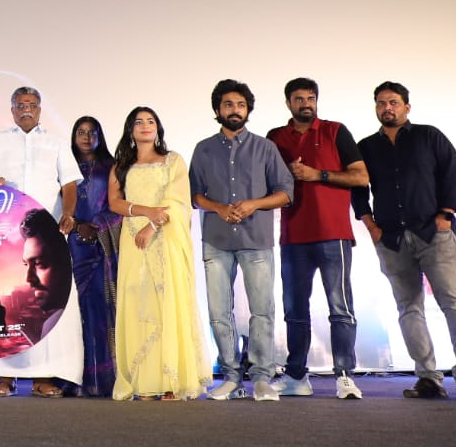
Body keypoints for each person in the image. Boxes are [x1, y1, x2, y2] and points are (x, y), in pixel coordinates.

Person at [354, 81, 456, 401]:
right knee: (408, 307)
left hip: (433, 233)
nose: (387, 108)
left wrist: (446, 215)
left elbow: (455, 175)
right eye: (381, 103)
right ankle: (427, 378)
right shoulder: (367, 146)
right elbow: (357, 188)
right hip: (391, 238)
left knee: (453, 302)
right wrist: (371, 226)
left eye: (393, 102)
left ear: (406, 107)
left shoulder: (428, 136)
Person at [189, 79, 293, 402]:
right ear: (217, 109)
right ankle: (231, 377)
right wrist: (218, 207)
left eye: (241, 105)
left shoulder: (265, 148)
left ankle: (262, 377)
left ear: (248, 110)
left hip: (256, 239)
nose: (235, 110)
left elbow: (286, 192)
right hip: (216, 239)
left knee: (262, 311)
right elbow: (194, 195)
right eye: (228, 105)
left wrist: (253, 204)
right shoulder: (203, 149)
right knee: (219, 312)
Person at [266, 78, 369, 400]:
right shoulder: (275, 137)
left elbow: (361, 176)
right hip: (293, 235)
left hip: (333, 234)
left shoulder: (335, 131)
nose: (306, 104)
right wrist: (284, 174)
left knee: (340, 308)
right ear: (288, 103)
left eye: (310, 98)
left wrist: (317, 174)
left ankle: (345, 376)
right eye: (299, 99)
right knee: (294, 310)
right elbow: (266, 180)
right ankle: (296, 376)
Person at [0, 86, 83, 398]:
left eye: (32, 105)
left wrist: (69, 213)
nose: (27, 109)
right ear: (12, 109)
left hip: (47, 236)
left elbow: (69, 184)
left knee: (46, 303)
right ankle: (6, 377)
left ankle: (43, 377)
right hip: (6, 236)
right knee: (6, 303)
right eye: (20, 104)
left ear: (40, 109)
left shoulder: (56, 142)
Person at [107, 107, 209, 401]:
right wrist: (145, 212)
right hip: (133, 240)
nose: (145, 125)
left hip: (163, 239)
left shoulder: (172, 160)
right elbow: (115, 203)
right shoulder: (121, 166)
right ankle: (143, 382)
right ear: (130, 130)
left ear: (158, 128)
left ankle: (170, 382)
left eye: (150, 121)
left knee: (167, 303)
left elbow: (177, 202)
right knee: (138, 304)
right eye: (138, 122)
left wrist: (152, 224)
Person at [67, 115, 119, 397]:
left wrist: (95, 226)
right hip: (70, 246)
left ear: (100, 136)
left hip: (101, 247)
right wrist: (77, 226)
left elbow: (117, 205)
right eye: (81, 132)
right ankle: (70, 378)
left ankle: (102, 379)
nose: (87, 137)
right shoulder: (64, 164)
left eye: (92, 132)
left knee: (100, 309)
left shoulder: (112, 167)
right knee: (72, 313)